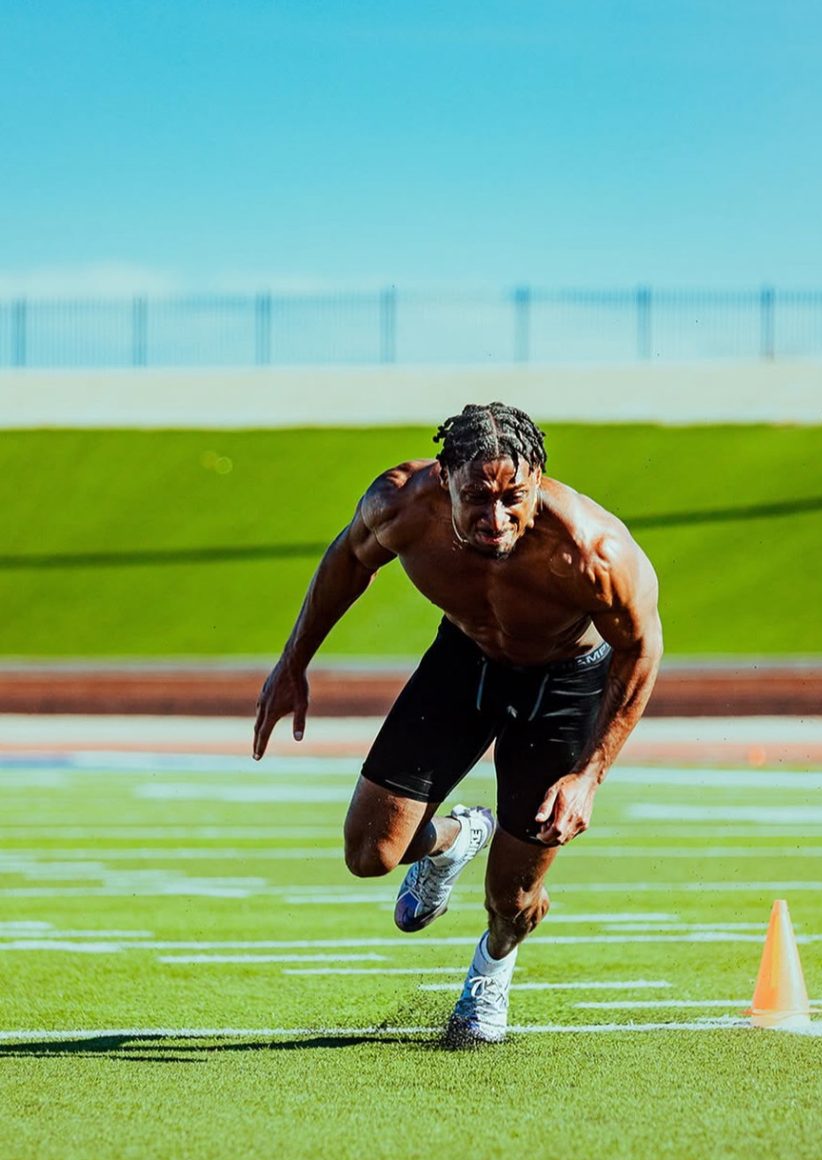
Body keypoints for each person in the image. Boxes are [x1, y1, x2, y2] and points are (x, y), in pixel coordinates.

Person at [253, 402, 663, 1044]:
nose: (495, 518)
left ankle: (491, 973)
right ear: (444, 478)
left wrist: (590, 776)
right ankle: (454, 839)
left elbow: (641, 650)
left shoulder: (592, 551)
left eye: (514, 497)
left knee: (513, 895)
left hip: (565, 683)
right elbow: (349, 560)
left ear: (537, 485)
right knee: (369, 854)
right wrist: (292, 662)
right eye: (476, 495)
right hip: (465, 660)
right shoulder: (399, 505)